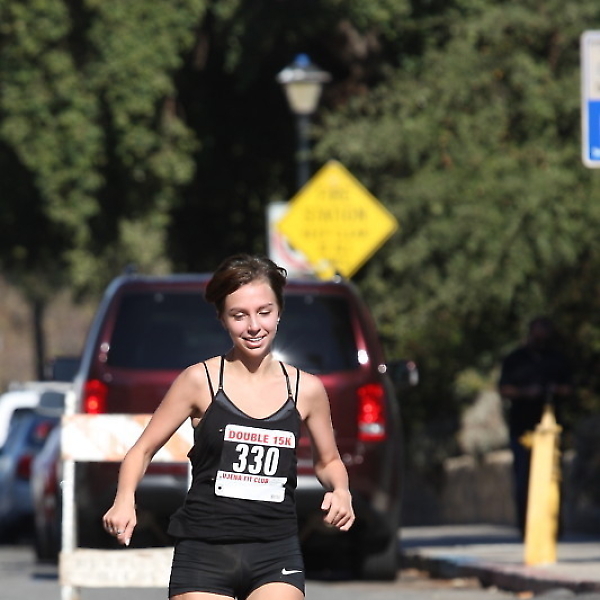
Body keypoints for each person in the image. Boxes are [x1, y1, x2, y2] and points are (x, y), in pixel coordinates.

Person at [102, 254, 355, 600]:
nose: (254, 326)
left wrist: (341, 490)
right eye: (239, 315)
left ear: (279, 312)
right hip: (204, 553)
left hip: (275, 552)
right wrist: (124, 499)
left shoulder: (306, 389)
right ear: (222, 319)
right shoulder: (199, 381)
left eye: (264, 312)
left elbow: (329, 461)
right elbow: (142, 451)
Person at [498, 316, 573, 537]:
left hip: (551, 431)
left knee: (553, 479)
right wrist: (525, 392)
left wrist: (553, 390)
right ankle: (526, 527)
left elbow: (569, 388)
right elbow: (504, 389)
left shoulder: (557, 359)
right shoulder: (515, 359)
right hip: (522, 429)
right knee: (523, 480)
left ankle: (554, 527)